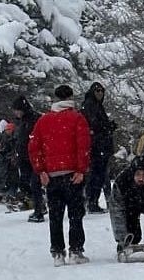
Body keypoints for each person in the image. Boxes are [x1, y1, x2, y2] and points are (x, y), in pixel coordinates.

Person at [27, 84, 92, 266]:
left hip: (52, 175)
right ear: (71, 97)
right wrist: (81, 169)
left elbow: (33, 147)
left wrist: (41, 170)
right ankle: (76, 250)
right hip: (72, 173)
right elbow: (83, 146)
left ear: (55, 99)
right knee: (75, 214)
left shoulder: (43, 121)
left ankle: (57, 253)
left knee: (55, 216)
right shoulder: (77, 118)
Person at [81, 82, 116, 213]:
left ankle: (92, 201)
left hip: (100, 145)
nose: (100, 93)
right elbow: (93, 125)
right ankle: (92, 202)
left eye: (101, 91)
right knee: (97, 175)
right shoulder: (90, 105)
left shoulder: (96, 105)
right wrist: (107, 127)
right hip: (97, 146)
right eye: (97, 91)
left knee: (99, 175)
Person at [10, 95, 46, 221]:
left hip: (33, 157)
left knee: (34, 184)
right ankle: (40, 205)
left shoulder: (33, 120)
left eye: (16, 110)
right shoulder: (23, 121)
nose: (15, 113)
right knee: (28, 183)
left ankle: (39, 209)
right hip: (25, 157)